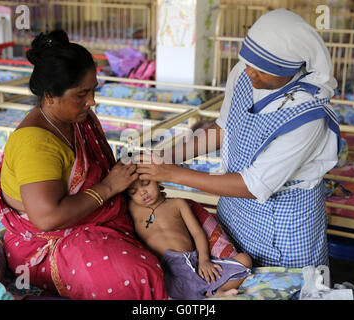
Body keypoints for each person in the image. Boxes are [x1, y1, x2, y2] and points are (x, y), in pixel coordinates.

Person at [135, 9, 342, 268]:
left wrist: (172, 173)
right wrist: (166, 157)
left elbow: (253, 185)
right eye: (248, 64)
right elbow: (224, 129)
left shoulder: (308, 116)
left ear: (288, 68)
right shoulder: (244, 74)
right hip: (234, 210)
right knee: (235, 281)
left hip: (284, 226)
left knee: (283, 291)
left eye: (263, 71)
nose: (251, 73)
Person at [0, 30, 167, 300]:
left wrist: (130, 174)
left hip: (92, 220)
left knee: (176, 218)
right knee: (136, 275)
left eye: (93, 90)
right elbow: (47, 219)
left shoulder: (77, 120)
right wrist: (109, 187)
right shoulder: (35, 144)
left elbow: (97, 169)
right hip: (47, 244)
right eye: (82, 94)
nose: (92, 101)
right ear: (50, 95)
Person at [126, 179, 252, 299]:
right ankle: (206, 293)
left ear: (158, 180)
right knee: (163, 289)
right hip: (168, 271)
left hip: (195, 264)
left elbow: (197, 233)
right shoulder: (133, 209)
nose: (142, 192)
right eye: (133, 191)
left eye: (146, 183)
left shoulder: (178, 204)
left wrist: (204, 259)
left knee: (244, 259)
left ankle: (216, 292)